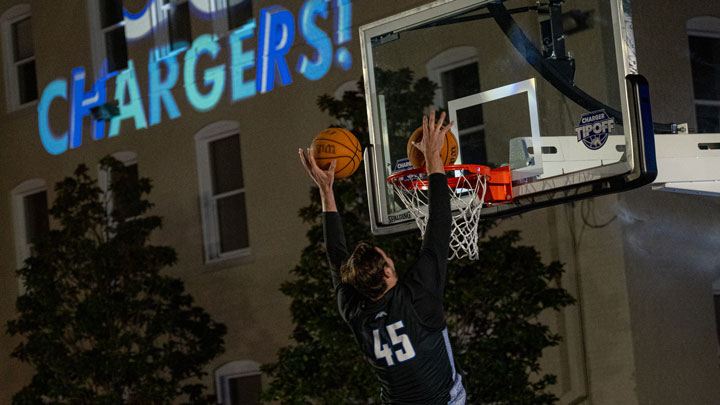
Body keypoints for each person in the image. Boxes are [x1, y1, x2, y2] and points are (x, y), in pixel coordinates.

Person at [299, 111, 466, 404]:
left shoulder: (359, 308)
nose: (389, 256)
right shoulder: (405, 301)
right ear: (387, 274)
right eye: (386, 258)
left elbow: (439, 227)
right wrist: (433, 156)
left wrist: (326, 190)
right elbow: (439, 221)